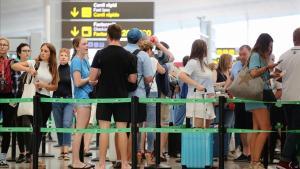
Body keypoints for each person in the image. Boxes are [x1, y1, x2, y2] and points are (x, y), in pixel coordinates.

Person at [89, 24, 137, 169]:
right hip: (122, 96)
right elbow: (133, 79)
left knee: (104, 130)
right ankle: (123, 163)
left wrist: (99, 78)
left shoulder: (100, 54)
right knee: (122, 130)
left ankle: (102, 164)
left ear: (108, 36)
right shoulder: (129, 56)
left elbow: (92, 78)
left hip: (104, 96)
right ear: (120, 36)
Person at [12, 42, 59, 167]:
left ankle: (32, 155)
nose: (43, 53)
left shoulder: (53, 66)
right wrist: (28, 69)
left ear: (51, 54)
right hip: (35, 98)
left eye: (46, 51)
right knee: (37, 128)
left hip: (47, 100)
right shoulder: (34, 62)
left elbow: (55, 86)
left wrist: (44, 86)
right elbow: (15, 66)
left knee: (41, 129)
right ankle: (33, 156)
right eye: (42, 50)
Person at [244, 33, 278, 169]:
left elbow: (258, 76)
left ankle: (254, 162)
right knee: (266, 128)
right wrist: (268, 68)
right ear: (264, 44)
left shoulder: (257, 56)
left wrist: (270, 74)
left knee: (257, 129)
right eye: (269, 46)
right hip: (257, 96)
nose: (270, 49)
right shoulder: (256, 55)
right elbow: (253, 73)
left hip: (256, 95)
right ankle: (255, 162)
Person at [124, 28, 153, 163]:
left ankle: (124, 158)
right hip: (139, 94)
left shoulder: (121, 51)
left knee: (123, 127)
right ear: (140, 40)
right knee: (136, 127)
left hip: (122, 95)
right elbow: (148, 78)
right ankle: (133, 156)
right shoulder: (143, 55)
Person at [276, 27, 300, 169]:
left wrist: (283, 87)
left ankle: (293, 161)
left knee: (292, 129)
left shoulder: (284, 55)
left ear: (293, 38)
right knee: (294, 130)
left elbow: (276, 75)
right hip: (298, 99)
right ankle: (284, 161)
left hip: (287, 99)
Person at [139, 40, 166, 164]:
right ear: (150, 50)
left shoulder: (138, 59)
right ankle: (150, 152)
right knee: (150, 123)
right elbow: (163, 71)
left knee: (139, 124)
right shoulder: (153, 60)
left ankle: (139, 151)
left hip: (139, 92)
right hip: (152, 92)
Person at [69, 37, 94, 169]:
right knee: (79, 131)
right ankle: (75, 161)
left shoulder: (85, 60)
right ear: (77, 47)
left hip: (87, 97)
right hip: (82, 98)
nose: (87, 46)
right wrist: (91, 78)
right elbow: (78, 82)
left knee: (82, 130)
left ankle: (78, 160)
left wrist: (92, 80)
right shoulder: (76, 61)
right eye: (84, 44)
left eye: (87, 44)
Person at [179, 39, 215, 128]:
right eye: (206, 47)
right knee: (199, 130)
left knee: (206, 130)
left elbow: (208, 82)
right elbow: (181, 75)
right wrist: (197, 85)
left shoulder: (204, 63)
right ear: (202, 49)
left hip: (207, 99)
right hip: (197, 99)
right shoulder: (193, 62)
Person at [228, 45, 253, 162]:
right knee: (241, 127)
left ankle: (252, 153)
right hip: (239, 100)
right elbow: (231, 78)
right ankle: (245, 152)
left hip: (252, 101)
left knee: (250, 127)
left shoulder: (255, 65)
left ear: (250, 53)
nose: (242, 57)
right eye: (240, 54)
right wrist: (225, 88)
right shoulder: (236, 65)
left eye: (245, 54)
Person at [52, 48, 73, 161]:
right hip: (55, 100)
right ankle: (62, 150)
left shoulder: (71, 70)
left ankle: (66, 150)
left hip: (69, 100)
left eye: (65, 55)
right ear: (59, 57)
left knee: (66, 124)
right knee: (59, 126)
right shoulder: (55, 70)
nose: (63, 57)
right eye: (62, 55)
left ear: (68, 58)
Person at [213, 54, 235, 159]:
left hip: (229, 102)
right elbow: (212, 85)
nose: (232, 62)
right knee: (218, 125)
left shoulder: (230, 73)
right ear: (226, 61)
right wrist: (225, 83)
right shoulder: (216, 72)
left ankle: (225, 151)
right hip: (218, 103)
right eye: (230, 60)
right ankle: (218, 151)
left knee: (228, 126)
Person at [14, 43, 33, 163]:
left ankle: (29, 153)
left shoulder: (33, 66)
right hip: (15, 100)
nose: (27, 53)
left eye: (28, 51)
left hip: (28, 100)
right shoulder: (14, 67)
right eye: (24, 51)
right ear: (19, 53)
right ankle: (21, 152)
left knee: (26, 125)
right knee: (18, 127)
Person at [0, 37, 17, 168]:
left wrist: (15, 99)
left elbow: (16, 82)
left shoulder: (13, 62)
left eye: (5, 45)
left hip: (9, 97)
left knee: (7, 127)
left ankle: (3, 157)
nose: (2, 47)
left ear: (8, 47)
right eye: (0, 45)